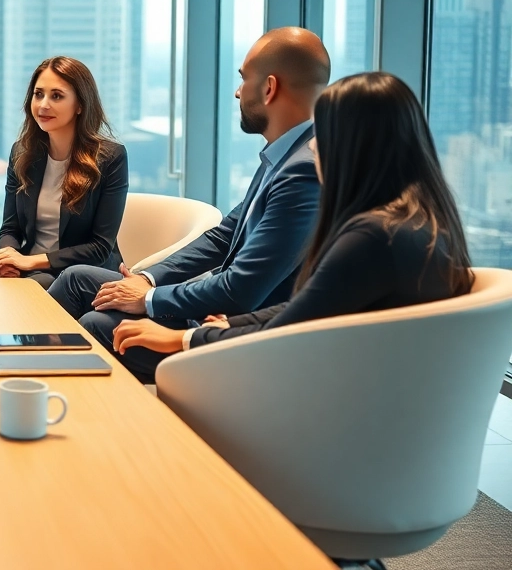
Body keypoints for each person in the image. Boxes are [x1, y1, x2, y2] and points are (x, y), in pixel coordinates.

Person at [98, 72, 474, 382]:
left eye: (323, 137)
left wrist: (182, 338)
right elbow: (307, 308)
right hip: (341, 376)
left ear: (353, 146)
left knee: (104, 331)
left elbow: (290, 328)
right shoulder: (419, 221)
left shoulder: (372, 237)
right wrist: (233, 324)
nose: (313, 149)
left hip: (302, 385)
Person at [60, 27, 330, 337]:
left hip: (235, 332)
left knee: (100, 325)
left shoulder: (303, 173)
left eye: (244, 79)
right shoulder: (284, 155)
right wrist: (147, 279)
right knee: (76, 279)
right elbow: (223, 237)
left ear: (269, 88)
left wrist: (148, 299)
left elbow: (243, 289)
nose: (238, 92)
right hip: (213, 306)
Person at [0, 57, 128, 290]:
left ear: (80, 105)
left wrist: (28, 261)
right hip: (31, 272)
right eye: (38, 94)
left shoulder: (110, 158)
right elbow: (10, 228)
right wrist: (8, 257)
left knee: (34, 290)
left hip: (83, 276)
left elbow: (100, 247)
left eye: (57, 96)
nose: (43, 105)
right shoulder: (22, 153)